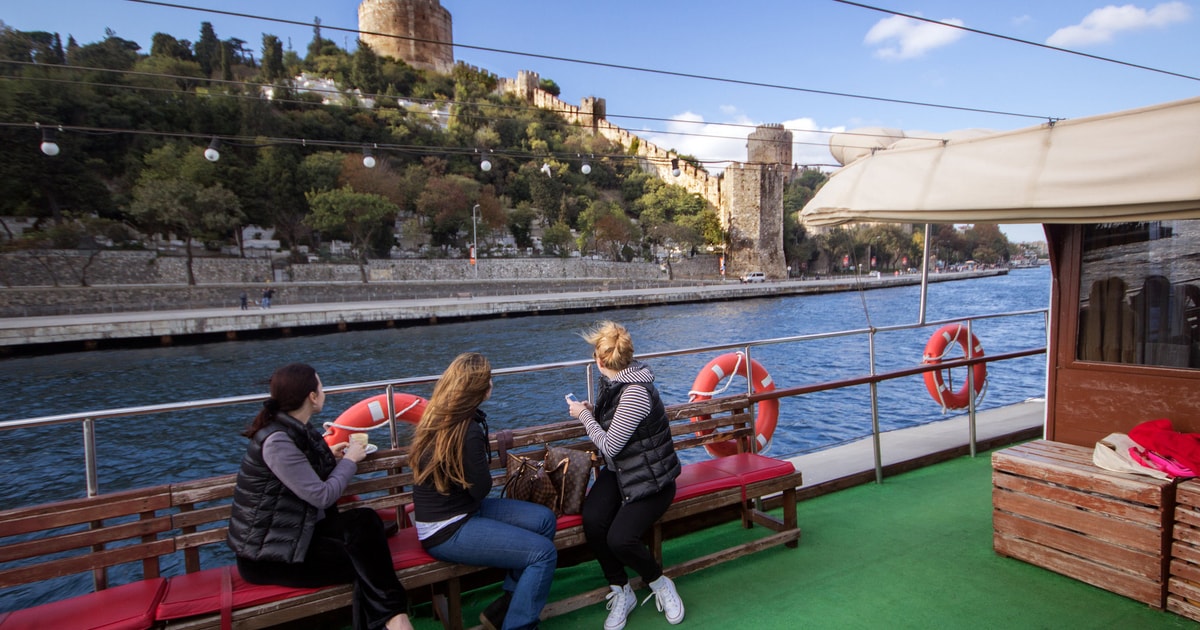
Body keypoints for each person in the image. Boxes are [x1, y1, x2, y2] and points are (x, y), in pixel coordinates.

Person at [227, 363, 412, 630]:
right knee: (367, 562)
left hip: (298, 536)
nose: (324, 392)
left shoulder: (297, 429)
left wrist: (333, 455)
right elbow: (322, 496)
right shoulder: (277, 442)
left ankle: (393, 622)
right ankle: (398, 621)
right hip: (269, 558)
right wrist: (349, 460)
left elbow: (303, 475)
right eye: (321, 386)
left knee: (366, 521)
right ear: (312, 396)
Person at [411, 352, 557, 630]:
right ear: (479, 388)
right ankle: (520, 626)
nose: (492, 382)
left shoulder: (441, 416)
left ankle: (504, 610)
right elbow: (481, 489)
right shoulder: (467, 430)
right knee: (543, 554)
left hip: (462, 511)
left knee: (544, 520)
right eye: (489, 378)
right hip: (446, 529)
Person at [566, 321, 684, 629]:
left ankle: (659, 583)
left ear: (600, 360)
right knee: (593, 519)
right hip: (622, 475)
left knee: (620, 538)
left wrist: (584, 416)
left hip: (653, 480)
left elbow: (610, 446)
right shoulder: (615, 381)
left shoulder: (634, 393)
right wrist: (596, 412)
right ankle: (621, 589)